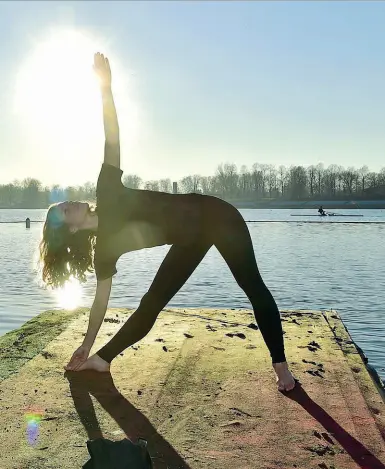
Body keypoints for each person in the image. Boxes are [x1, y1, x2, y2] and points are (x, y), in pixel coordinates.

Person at [39, 53, 296, 392]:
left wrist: (106, 87)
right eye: (64, 210)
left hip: (218, 216)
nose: (70, 202)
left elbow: (112, 135)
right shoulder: (104, 251)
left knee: (252, 286)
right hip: (189, 238)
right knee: (152, 302)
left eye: (65, 202)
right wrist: (87, 344)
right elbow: (100, 303)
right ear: (70, 229)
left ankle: (282, 369)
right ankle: (101, 359)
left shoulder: (108, 190)